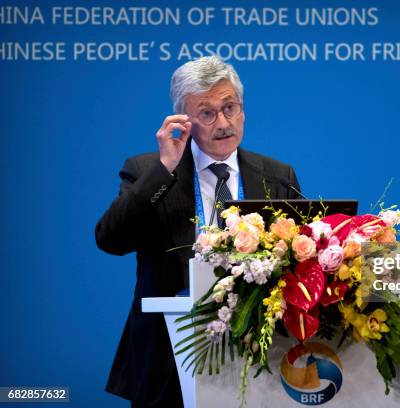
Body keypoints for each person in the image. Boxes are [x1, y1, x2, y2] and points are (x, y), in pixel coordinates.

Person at [95, 56, 301, 407]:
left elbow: (299, 261)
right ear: (184, 121)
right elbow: (110, 240)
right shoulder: (149, 171)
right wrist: (164, 169)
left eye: (230, 107)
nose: (223, 122)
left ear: (243, 110)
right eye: (206, 113)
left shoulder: (277, 176)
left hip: (261, 359)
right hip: (170, 360)